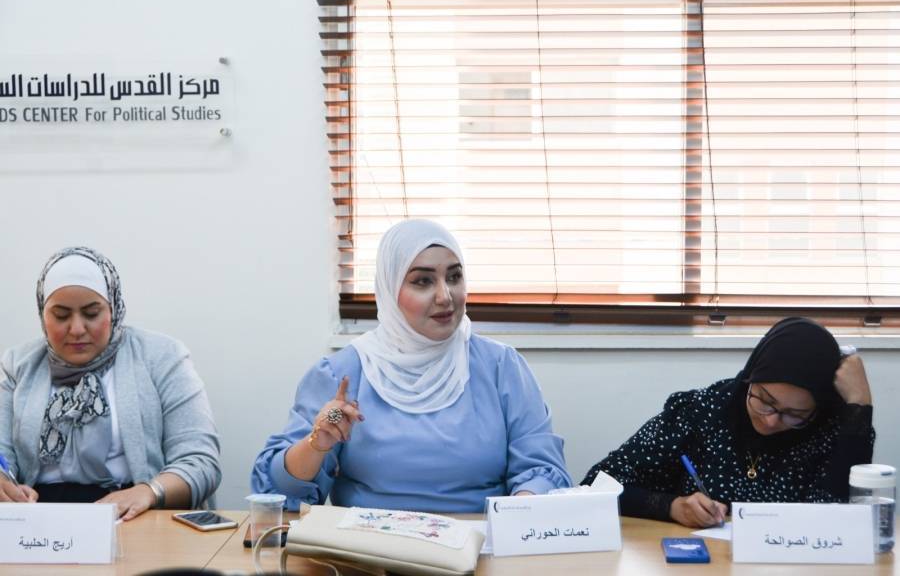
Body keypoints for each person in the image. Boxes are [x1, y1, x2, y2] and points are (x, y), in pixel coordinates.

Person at [251, 219, 572, 512]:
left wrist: (517, 514)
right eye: (423, 281)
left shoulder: (501, 367)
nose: (445, 296)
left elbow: (541, 469)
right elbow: (279, 493)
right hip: (369, 545)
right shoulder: (341, 373)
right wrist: (317, 444)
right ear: (390, 290)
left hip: (477, 542)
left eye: (454, 277)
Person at [581, 317, 875, 528]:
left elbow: (844, 520)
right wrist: (672, 507)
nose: (771, 421)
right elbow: (597, 484)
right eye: (765, 401)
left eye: (794, 414)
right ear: (751, 377)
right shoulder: (701, 411)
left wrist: (860, 406)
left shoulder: (835, 428)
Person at [0, 247, 221, 520]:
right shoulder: (18, 365)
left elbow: (200, 461)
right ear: (43, 316)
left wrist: (150, 491)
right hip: (39, 523)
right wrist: (4, 483)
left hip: (134, 518)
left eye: (92, 313)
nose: (77, 329)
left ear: (113, 309)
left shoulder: (162, 357)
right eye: (61, 315)